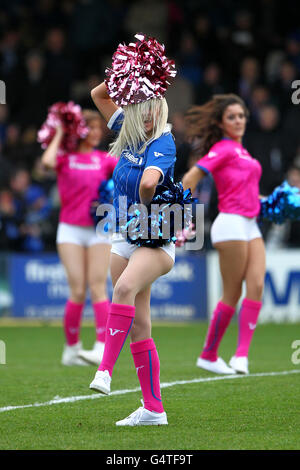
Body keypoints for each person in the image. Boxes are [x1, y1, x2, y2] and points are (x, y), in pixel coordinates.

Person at [88, 34, 177, 426]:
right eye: (140, 107)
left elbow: (150, 181)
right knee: (140, 323)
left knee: (122, 289)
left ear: (159, 109)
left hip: (158, 234)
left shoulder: (164, 140)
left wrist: (145, 197)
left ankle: (104, 371)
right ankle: (153, 409)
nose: (145, 115)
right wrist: (129, 73)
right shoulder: (127, 125)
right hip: (123, 232)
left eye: (151, 108)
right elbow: (97, 93)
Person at [182, 94, 265, 375]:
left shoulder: (243, 152)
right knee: (233, 292)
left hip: (250, 223)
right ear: (220, 122)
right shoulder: (224, 148)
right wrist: (185, 217)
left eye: (241, 116)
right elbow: (191, 178)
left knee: (256, 285)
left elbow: (249, 193)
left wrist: (278, 201)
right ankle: (208, 354)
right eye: (232, 117)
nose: (238, 121)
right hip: (230, 223)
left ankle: (241, 356)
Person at [41, 110, 118, 366]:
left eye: (98, 128)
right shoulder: (66, 158)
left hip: (99, 228)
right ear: (80, 131)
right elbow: (47, 162)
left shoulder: (103, 159)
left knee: (98, 286)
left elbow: (123, 177)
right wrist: (61, 131)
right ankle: (71, 349)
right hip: (70, 229)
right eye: (90, 128)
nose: (96, 133)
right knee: (77, 290)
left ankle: (101, 345)